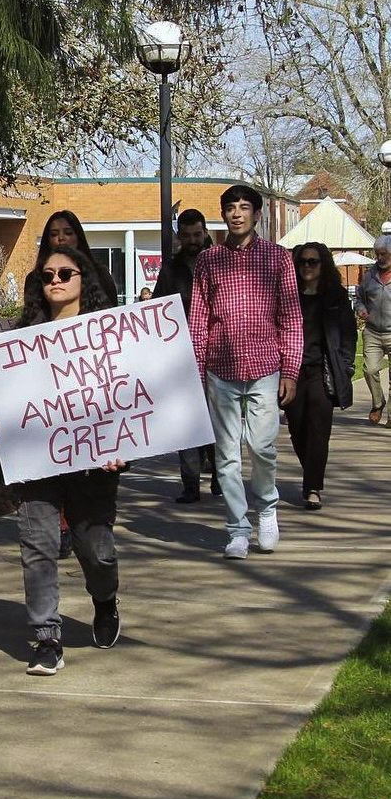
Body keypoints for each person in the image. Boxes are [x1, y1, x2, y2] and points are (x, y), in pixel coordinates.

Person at [0, 245, 125, 676]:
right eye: (47, 276)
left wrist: (121, 447)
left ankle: (105, 602)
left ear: (85, 278)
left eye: (66, 274)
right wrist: (3, 425)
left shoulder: (109, 336)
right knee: (38, 548)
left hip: (93, 465)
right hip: (36, 463)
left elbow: (129, 396)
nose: (56, 282)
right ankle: (46, 638)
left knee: (96, 550)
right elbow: (9, 400)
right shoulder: (20, 338)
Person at [189, 183, 302, 559]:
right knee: (226, 455)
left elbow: (291, 317)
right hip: (220, 368)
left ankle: (267, 509)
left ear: (256, 213)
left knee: (262, 446)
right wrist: (195, 369)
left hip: (265, 366)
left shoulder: (278, 258)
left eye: (243, 207)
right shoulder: (209, 260)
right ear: (222, 215)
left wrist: (291, 369)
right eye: (230, 208)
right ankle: (237, 528)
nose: (236, 214)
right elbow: (199, 319)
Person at [24, 210, 117, 556]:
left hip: (91, 397)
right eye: (53, 234)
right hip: (50, 393)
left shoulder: (100, 278)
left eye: (67, 232)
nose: (61, 238)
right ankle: (60, 527)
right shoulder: (36, 282)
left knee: (96, 543)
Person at [153, 208, 217, 503]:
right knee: (187, 422)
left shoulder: (220, 262)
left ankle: (220, 476)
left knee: (218, 419)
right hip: (181, 356)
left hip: (218, 353)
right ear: (180, 236)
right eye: (187, 235)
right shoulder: (170, 269)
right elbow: (155, 309)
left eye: (197, 234)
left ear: (205, 233)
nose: (193, 240)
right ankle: (190, 484)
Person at [286, 244, 356, 510]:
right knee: (297, 428)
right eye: (303, 261)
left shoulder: (335, 296)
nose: (307, 266)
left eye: (313, 262)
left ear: (323, 265)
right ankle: (311, 473)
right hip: (292, 371)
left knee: (318, 429)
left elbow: (349, 333)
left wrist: (346, 367)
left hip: (322, 370)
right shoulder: (289, 295)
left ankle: (313, 486)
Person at [354, 234, 391, 425]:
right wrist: (361, 309)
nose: (380, 258)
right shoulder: (370, 275)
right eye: (377, 254)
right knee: (369, 370)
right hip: (373, 332)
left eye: (384, 254)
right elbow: (358, 298)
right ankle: (378, 403)